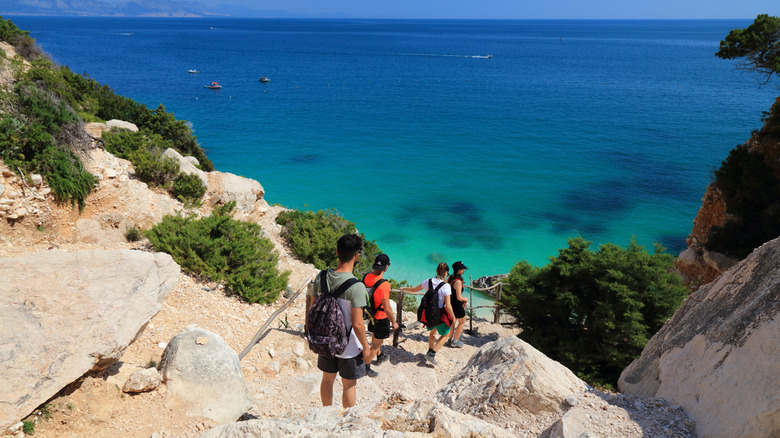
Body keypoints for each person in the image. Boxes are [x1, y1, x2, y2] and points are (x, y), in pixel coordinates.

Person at [308, 234, 370, 408]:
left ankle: (326, 414)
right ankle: (344, 423)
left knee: (327, 379)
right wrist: (366, 347)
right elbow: (358, 324)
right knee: (349, 384)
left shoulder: (321, 277)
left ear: (337, 252)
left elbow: (313, 307)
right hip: (349, 346)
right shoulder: (357, 286)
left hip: (325, 340)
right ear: (357, 256)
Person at [401, 262, 455, 366]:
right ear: (446, 272)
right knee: (445, 335)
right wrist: (452, 316)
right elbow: (448, 305)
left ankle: (430, 350)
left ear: (437, 271)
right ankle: (432, 353)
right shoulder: (446, 286)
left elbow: (413, 290)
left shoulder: (428, 281)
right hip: (439, 313)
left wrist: (403, 288)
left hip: (429, 312)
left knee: (432, 332)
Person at [362, 253, 399, 377]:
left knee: (375, 337)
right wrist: (394, 322)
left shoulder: (366, 277)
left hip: (370, 314)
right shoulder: (384, 284)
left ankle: (380, 356)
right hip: (380, 317)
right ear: (386, 267)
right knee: (376, 344)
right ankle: (365, 367)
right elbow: (387, 307)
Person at [446, 261, 469, 348]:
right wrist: (465, 299)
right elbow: (459, 297)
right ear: (458, 270)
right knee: (462, 322)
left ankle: (449, 340)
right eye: (462, 269)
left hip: (450, 304)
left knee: (452, 322)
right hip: (457, 305)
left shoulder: (450, 278)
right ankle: (455, 341)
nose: (464, 270)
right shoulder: (458, 282)